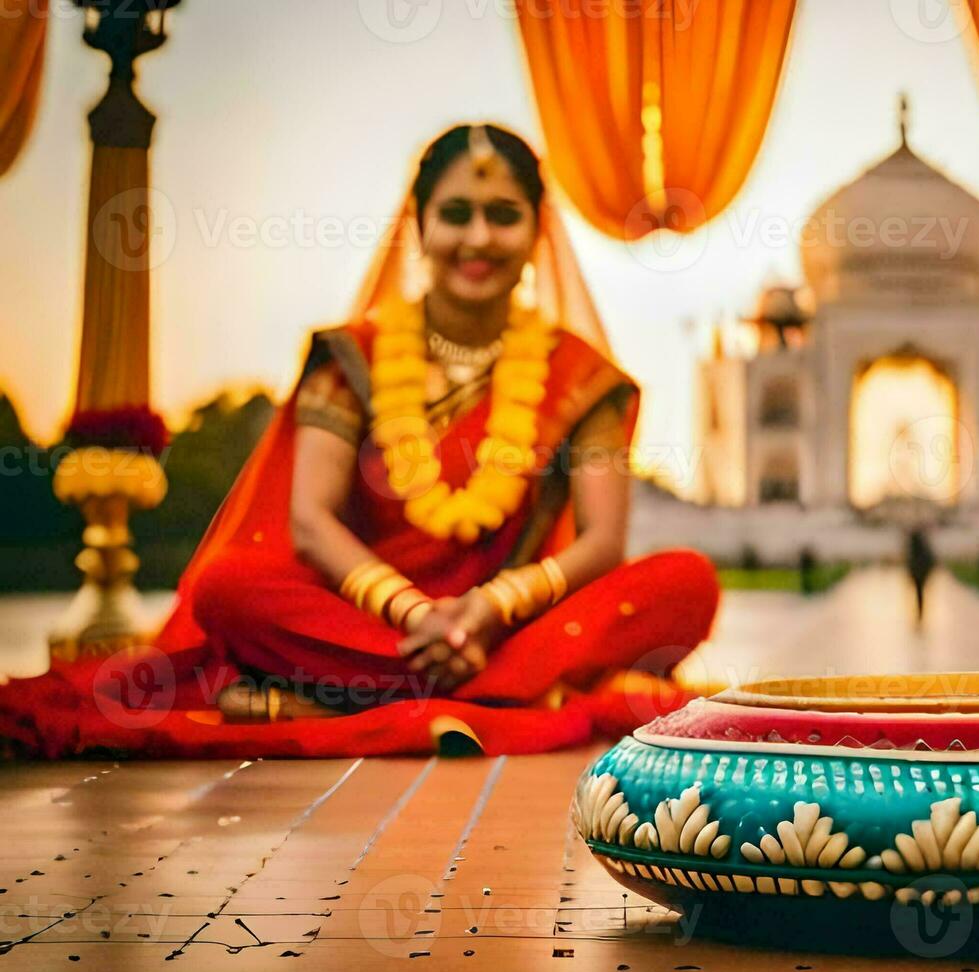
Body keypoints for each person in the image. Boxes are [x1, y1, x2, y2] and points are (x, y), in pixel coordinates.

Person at [151, 124, 719, 721]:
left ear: (536, 234)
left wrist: (491, 609)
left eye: (503, 215)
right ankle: (507, 693)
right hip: (368, 617)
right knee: (227, 588)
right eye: (456, 214)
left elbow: (602, 541)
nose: (478, 238)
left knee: (687, 581)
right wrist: (419, 615)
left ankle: (349, 696)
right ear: (420, 227)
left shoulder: (579, 375)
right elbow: (311, 522)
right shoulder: (355, 357)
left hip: (508, 625)